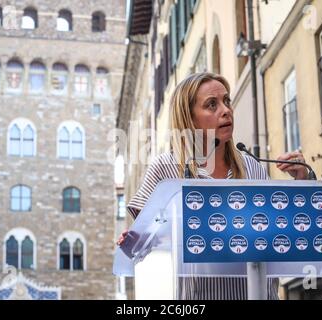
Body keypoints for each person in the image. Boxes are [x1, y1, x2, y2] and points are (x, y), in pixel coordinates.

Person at [117, 72, 308, 300]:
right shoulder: (166, 169)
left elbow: (283, 233)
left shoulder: (252, 168)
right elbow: (142, 238)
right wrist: (134, 241)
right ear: (189, 118)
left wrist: (303, 183)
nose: (226, 110)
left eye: (226, 101)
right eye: (211, 105)